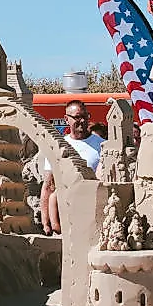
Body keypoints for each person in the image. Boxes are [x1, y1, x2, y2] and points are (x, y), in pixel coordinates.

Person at [41, 100, 104, 235]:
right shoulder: (58, 147)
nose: (82, 120)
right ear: (66, 119)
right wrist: (45, 224)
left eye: (85, 116)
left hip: (93, 212)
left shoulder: (102, 146)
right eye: (77, 117)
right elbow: (47, 185)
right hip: (66, 215)